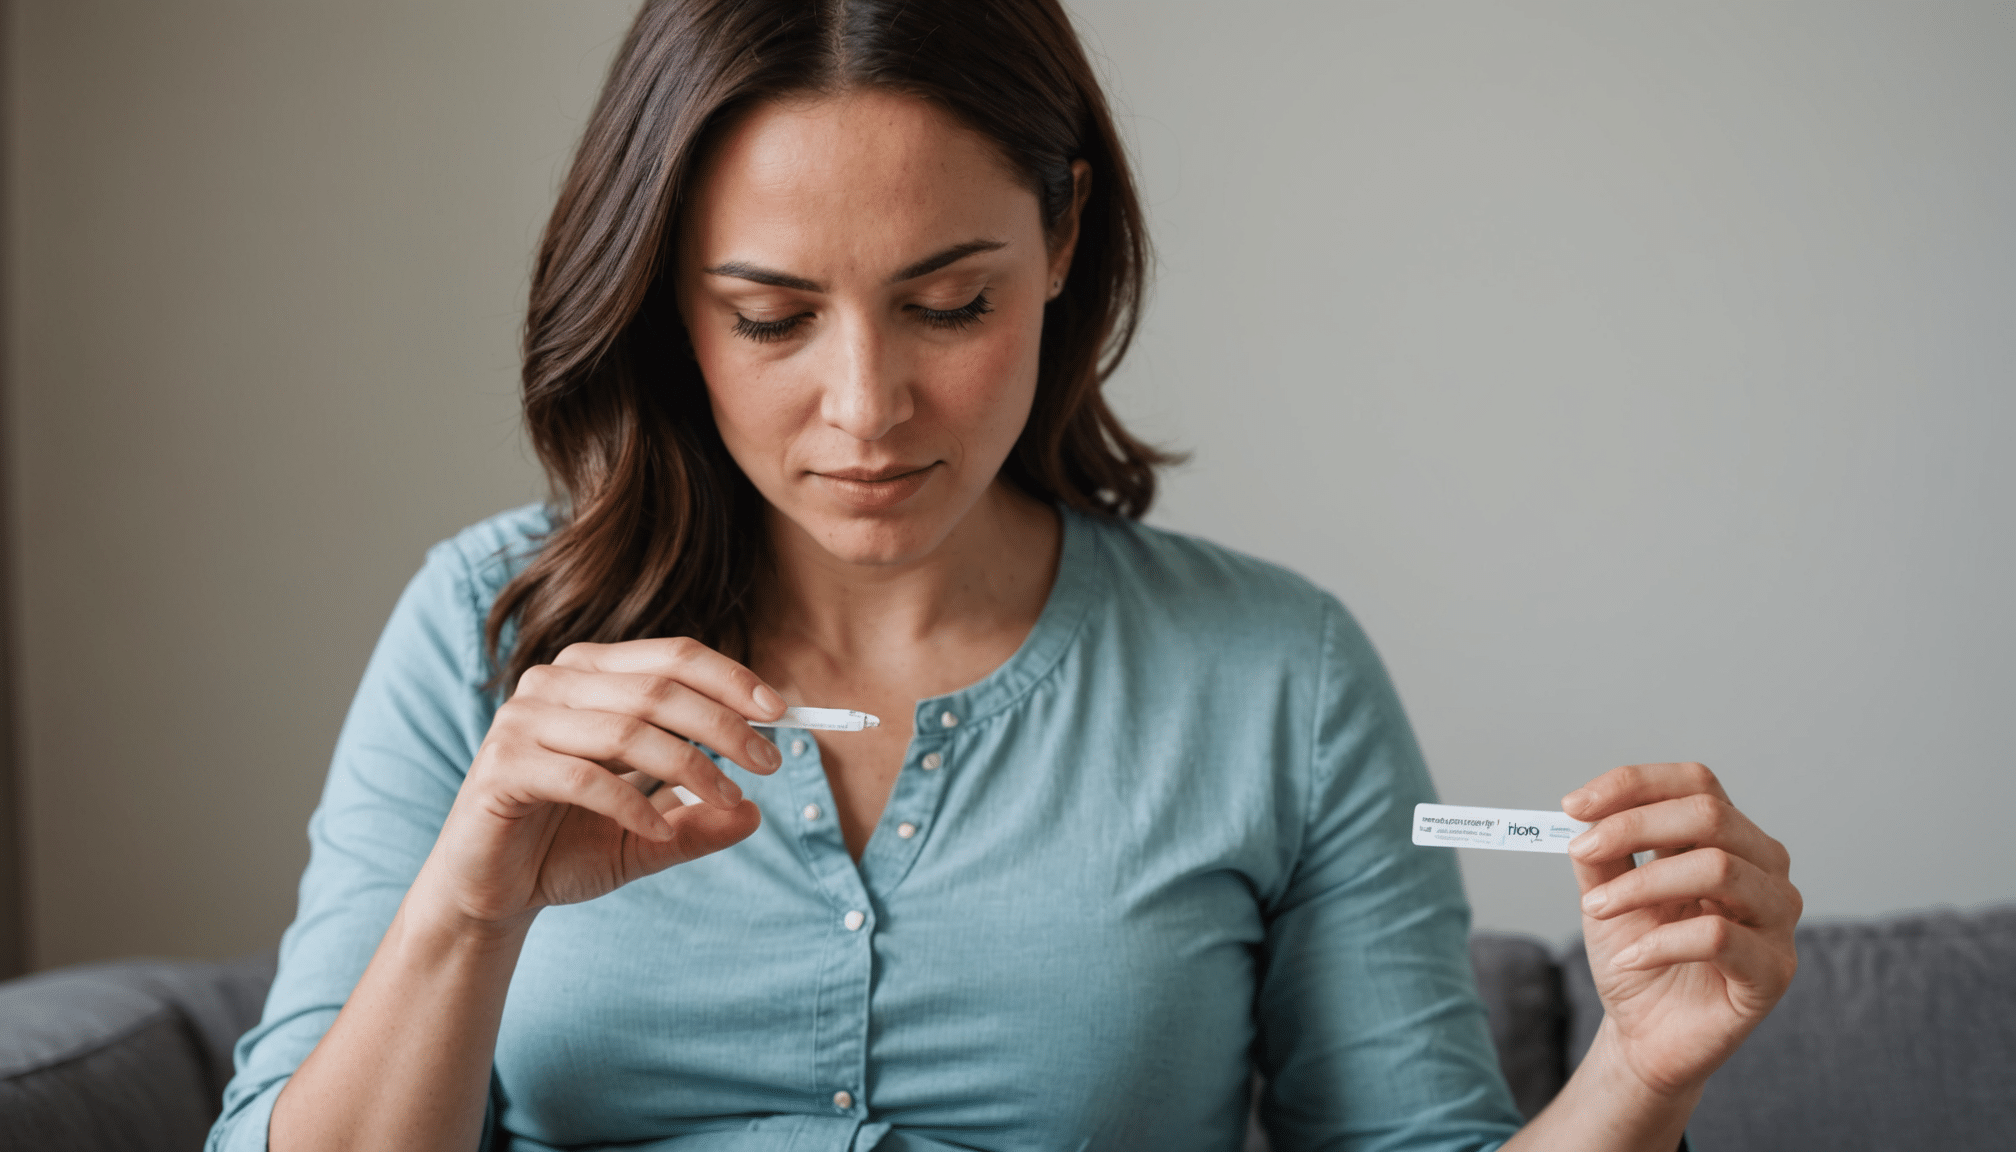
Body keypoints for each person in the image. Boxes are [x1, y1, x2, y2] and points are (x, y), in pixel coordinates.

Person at [209, 2, 1801, 1150]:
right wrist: (474, 900)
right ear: (663, 308)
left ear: (1061, 243)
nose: (866, 408)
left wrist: (1640, 1076)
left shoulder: (1278, 678)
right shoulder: (490, 632)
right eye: (770, 319)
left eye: (951, 304)